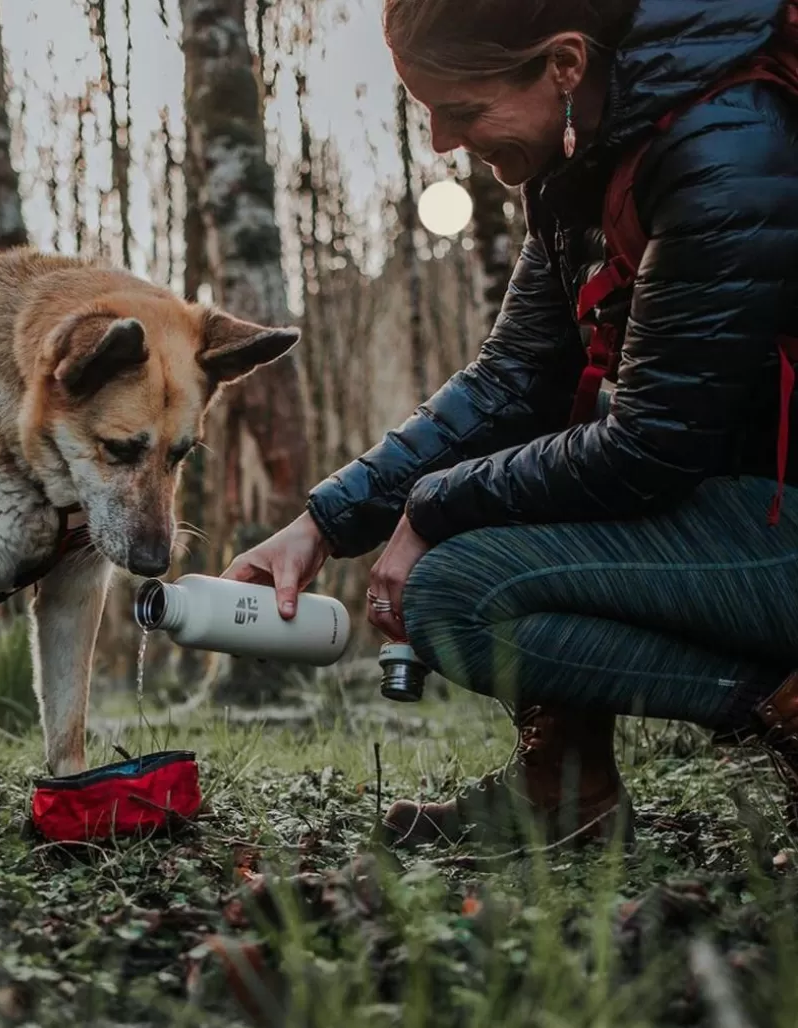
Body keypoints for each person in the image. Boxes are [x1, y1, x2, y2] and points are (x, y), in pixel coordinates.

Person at [224, 0, 798, 849]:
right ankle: (567, 788)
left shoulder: (726, 149)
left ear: (564, 65)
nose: (441, 143)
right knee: (485, 537)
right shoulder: (588, 162)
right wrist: (322, 523)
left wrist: (434, 506)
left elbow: (651, 446)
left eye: (462, 110)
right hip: (751, 508)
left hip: (777, 518)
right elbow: (512, 384)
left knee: (458, 590)